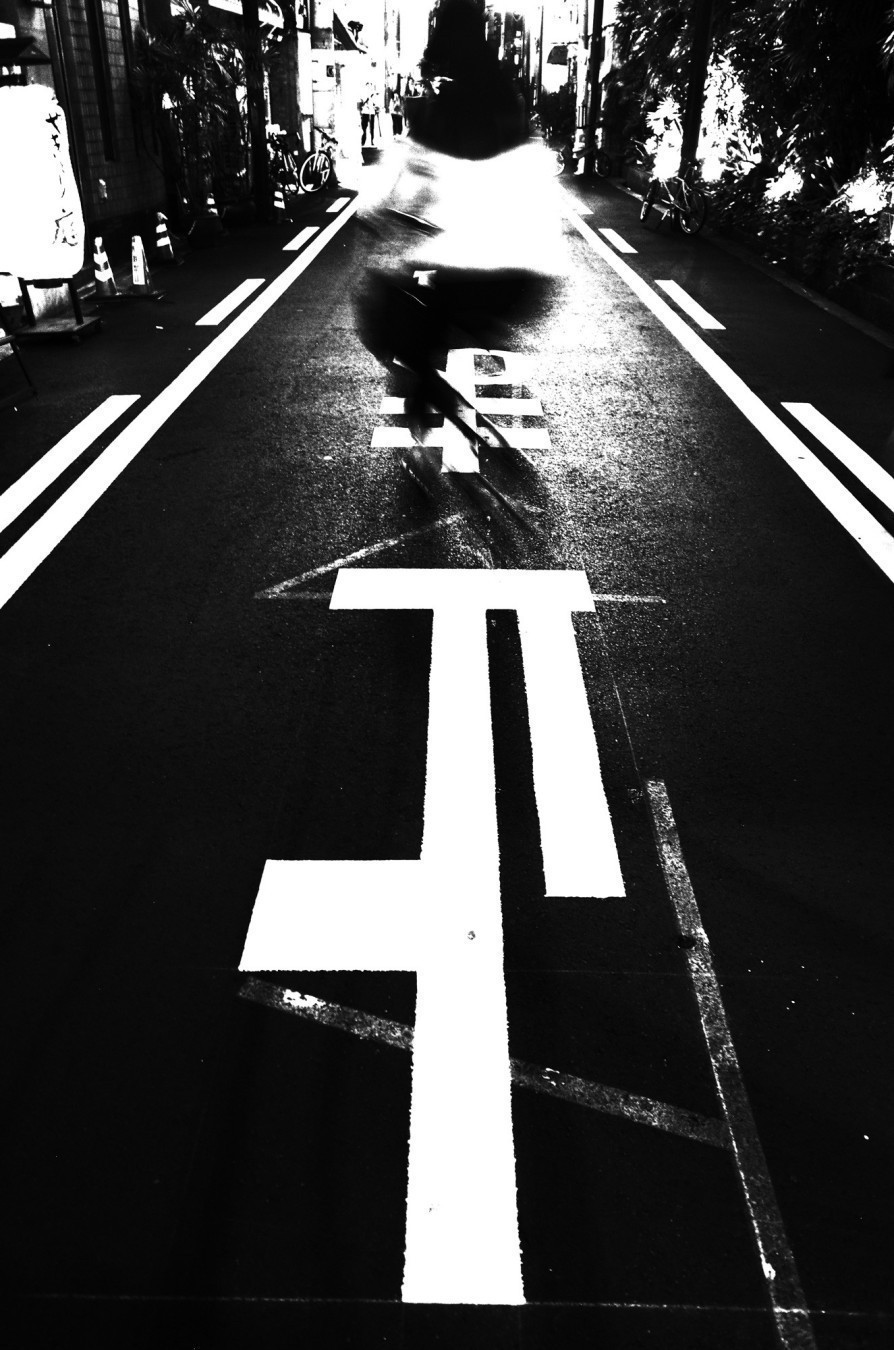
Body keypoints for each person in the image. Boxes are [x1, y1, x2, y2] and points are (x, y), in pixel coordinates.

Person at [355, 0, 566, 472]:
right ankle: (485, 437)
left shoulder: (433, 119)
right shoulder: (514, 112)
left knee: (407, 341)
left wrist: (388, 222)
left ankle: (425, 439)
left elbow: (378, 199)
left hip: (455, 276)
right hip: (524, 282)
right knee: (462, 325)